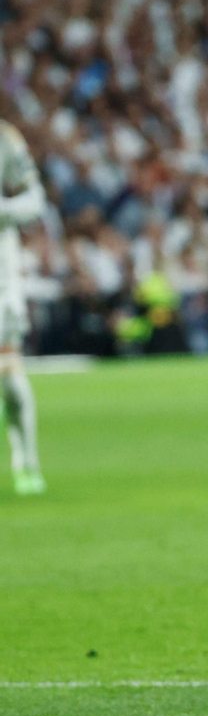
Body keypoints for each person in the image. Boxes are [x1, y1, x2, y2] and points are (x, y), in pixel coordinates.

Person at [0, 121, 46, 495]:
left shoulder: (6, 140)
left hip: (1, 276)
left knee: (9, 380)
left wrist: (3, 210)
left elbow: (35, 199)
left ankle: (26, 461)